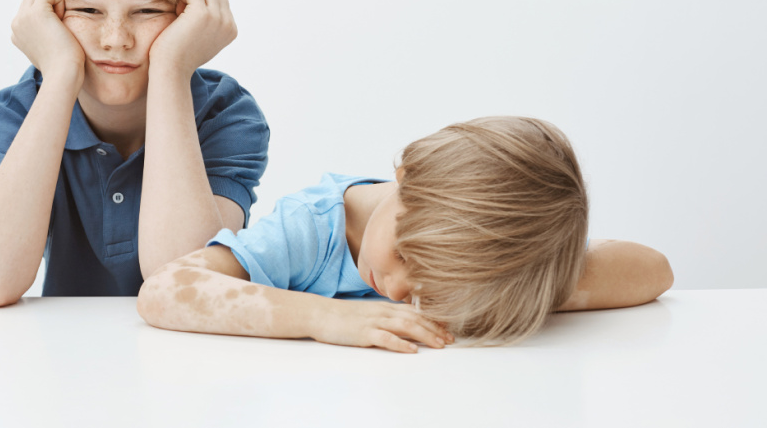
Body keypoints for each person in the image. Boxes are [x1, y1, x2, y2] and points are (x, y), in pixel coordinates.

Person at [0, 0, 270, 306]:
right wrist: (60, 75)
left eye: (147, 12)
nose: (116, 40)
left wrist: (171, 69)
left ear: (189, 16)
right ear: (48, 13)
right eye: (87, 10)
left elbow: (182, 282)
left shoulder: (226, 114)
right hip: (60, 359)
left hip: (185, 358)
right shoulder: (15, 114)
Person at [137, 116, 673, 352]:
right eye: (404, 255)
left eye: (428, 285)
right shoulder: (311, 228)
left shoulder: (490, 256)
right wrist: (328, 317)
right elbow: (165, 291)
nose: (397, 290)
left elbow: (654, 269)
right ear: (404, 177)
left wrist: (514, 289)